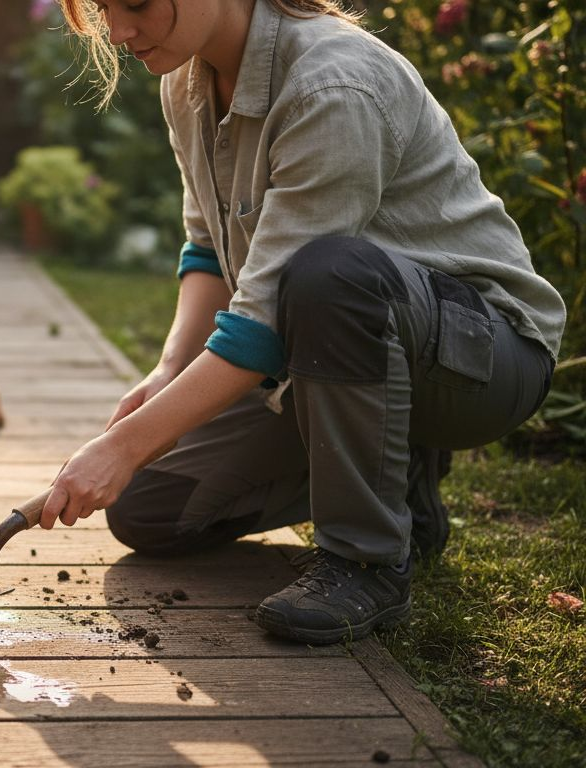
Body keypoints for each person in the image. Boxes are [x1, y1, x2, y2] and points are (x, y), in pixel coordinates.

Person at [39, 0, 565, 644]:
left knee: (330, 273)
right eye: (103, 8)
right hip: (345, 352)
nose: (119, 32)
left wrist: (121, 445)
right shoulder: (188, 80)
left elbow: (261, 324)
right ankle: (403, 484)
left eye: (139, 4)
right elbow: (208, 244)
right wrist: (168, 370)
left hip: (482, 360)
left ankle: (365, 559)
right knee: (150, 509)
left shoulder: (333, 84)